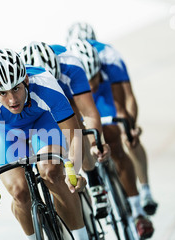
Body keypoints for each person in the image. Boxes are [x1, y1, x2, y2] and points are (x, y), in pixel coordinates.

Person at [0, 48, 100, 240]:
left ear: (26, 79)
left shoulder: (45, 84)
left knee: (51, 172)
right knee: (19, 191)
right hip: (7, 132)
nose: (12, 99)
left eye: (17, 88)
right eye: (2, 93)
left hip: (43, 122)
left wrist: (76, 171)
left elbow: (73, 136)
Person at [67, 22, 159, 215]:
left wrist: (130, 126)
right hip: (78, 95)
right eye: (87, 80)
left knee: (124, 136)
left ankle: (144, 193)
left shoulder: (110, 58)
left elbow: (127, 99)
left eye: (94, 77)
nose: (91, 84)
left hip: (105, 93)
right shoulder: (68, 67)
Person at [20, 41, 111, 218]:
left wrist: (95, 142)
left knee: (75, 120)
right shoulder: (20, 78)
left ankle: (94, 180)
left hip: (68, 98)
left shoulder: (71, 66)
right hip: (39, 107)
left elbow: (89, 112)